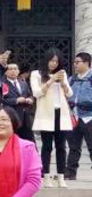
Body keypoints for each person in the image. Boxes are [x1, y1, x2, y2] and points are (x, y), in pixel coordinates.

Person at [30, 48, 73, 188]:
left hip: (61, 113)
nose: (54, 64)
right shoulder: (36, 74)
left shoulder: (62, 74)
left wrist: (63, 83)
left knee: (61, 147)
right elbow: (36, 93)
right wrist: (51, 80)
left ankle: (61, 177)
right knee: (47, 146)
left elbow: (69, 94)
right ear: (46, 60)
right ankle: (46, 176)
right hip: (46, 114)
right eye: (51, 60)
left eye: (56, 61)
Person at [66, 52, 92, 180]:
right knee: (73, 147)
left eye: (78, 62)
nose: (75, 65)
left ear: (87, 63)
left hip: (89, 117)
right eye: (74, 62)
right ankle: (70, 173)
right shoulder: (71, 79)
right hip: (74, 117)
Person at [1, 63, 35, 142]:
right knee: (13, 140)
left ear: (18, 71)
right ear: (5, 72)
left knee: (29, 140)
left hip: (26, 117)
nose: (13, 71)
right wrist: (16, 100)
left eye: (15, 69)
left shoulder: (23, 83)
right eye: (10, 69)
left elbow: (30, 95)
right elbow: (2, 99)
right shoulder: (3, 84)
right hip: (12, 116)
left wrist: (30, 99)